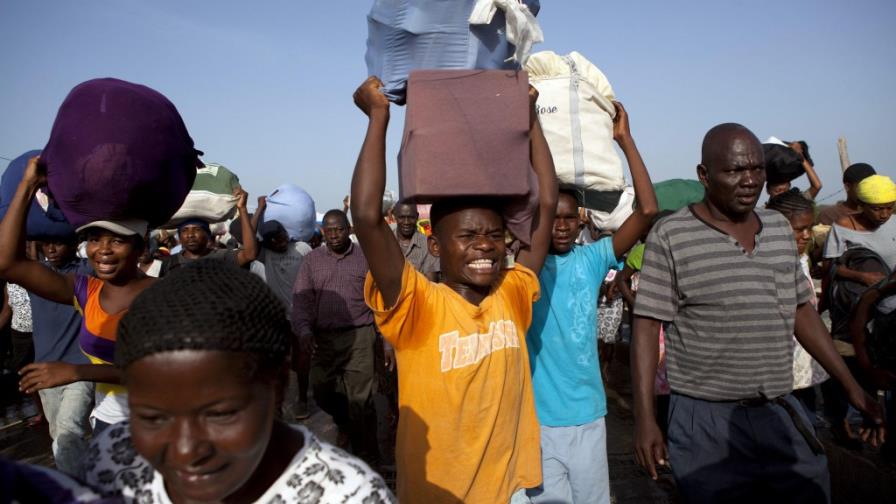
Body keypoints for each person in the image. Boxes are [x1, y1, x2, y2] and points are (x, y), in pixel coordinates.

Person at [630, 123, 884, 503]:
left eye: (756, 169)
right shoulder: (671, 235)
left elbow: (801, 312)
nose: (749, 181)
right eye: (734, 170)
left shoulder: (779, 229)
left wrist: (853, 389)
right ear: (704, 175)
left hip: (778, 410)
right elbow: (647, 327)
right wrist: (645, 419)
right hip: (705, 421)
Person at [352, 76, 558, 503]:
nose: (485, 245)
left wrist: (530, 118)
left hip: (510, 491)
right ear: (435, 246)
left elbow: (547, 204)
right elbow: (368, 217)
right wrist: (378, 117)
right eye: (467, 236)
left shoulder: (512, 294)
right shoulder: (417, 306)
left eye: (495, 235)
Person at [82, 260, 394, 503]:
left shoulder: (347, 494)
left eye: (219, 414)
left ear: (277, 386)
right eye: (152, 418)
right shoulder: (115, 456)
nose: (186, 450)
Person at [523, 99, 657, 503]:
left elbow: (647, 210)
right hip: (538, 420)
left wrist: (625, 140)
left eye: (569, 218)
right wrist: (529, 120)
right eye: (553, 218)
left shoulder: (593, 259)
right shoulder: (524, 268)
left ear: (581, 218)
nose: (561, 227)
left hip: (588, 415)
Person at [0, 156, 155, 433]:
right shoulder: (86, 291)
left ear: (140, 247)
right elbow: (8, 263)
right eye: (95, 239)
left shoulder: (164, 294)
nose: (103, 250)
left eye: (117, 240)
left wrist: (75, 371)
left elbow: (158, 372)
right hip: (108, 420)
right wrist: (28, 184)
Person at [291, 209, 380, 462]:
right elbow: (302, 301)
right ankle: (345, 423)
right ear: (322, 232)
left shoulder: (365, 258)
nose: (334, 235)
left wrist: (383, 339)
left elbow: (379, 297)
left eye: (339, 229)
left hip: (360, 336)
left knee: (362, 400)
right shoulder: (312, 261)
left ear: (349, 229)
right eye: (329, 230)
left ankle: (368, 455)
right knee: (322, 391)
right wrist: (304, 332)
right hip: (324, 340)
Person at [16, 236, 95, 476]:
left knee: (67, 432)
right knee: (62, 437)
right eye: (46, 243)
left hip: (79, 371)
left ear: (73, 244)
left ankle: (76, 490)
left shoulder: (87, 271)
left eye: (58, 242)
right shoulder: (36, 275)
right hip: (45, 373)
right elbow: (8, 257)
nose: (51, 248)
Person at [766, 189, 829, 419]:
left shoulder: (801, 259)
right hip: (778, 368)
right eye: (798, 229)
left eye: (809, 228)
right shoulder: (768, 265)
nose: (806, 236)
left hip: (803, 362)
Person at [254, 196, 313, 420]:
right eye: (275, 241)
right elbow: (248, 238)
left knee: (303, 360)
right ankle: (277, 404)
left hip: (301, 314)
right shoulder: (264, 254)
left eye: (282, 237)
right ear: (267, 244)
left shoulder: (302, 248)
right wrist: (259, 209)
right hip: (277, 318)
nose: (281, 242)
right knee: (278, 362)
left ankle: (302, 399)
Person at [158, 187, 256, 276]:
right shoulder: (169, 264)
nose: (190, 235)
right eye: (184, 230)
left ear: (208, 235)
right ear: (179, 236)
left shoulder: (221, 257)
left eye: (197, 229)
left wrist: (242, 208)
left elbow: (249, 254)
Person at [391, 201, 440, 281]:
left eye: (411, 217)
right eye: (402, 217)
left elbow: (431, 282)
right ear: (395, 216)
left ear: (417, 216)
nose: (406, 222)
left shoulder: (428, 244)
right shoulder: (385, 242)